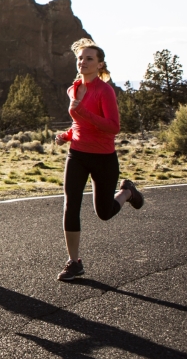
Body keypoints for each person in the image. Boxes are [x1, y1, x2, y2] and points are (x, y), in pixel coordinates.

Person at [54, 38, 143, 281]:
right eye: (80, 58)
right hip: (78, 154)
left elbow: (113, 127)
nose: (82, 62)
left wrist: (83, 111)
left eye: (89, 58)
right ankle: (74, 262)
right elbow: (78, 124)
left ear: (100, 64)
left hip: (103, 158)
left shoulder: (105, 91)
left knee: (104, 212)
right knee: (70, 204)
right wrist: (66, 135)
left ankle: (127, 193)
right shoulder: (74, 89)